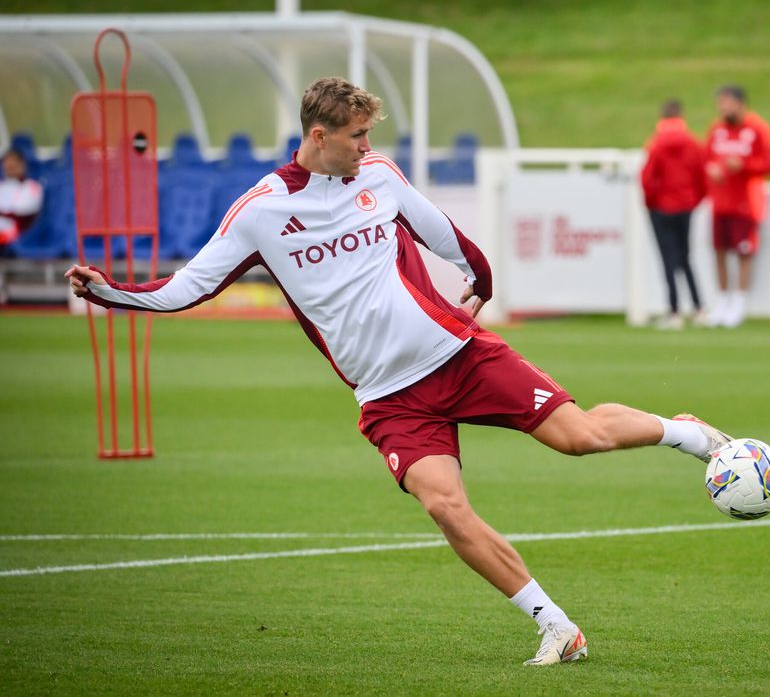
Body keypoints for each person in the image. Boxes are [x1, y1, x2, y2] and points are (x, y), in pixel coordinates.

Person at [66, 77, 735, 667]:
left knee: (579, 437)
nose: (366, 147)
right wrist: (108, 290)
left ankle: (691, 436)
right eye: (357, 136)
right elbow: (190, 287)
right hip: (391, 398)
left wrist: (481, 280)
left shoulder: (380, 178)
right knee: (447, 508)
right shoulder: (261, 212)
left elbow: (444, 234)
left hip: (458, 354)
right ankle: (557, 626)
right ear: (319, 135)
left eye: (369, 135)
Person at [703, 85, 770, 328]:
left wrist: (743, 165)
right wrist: (711, 170)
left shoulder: (757, 129)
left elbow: (768, 164)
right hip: (720, 203)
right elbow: (706, 159)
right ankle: (722, 300)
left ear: (740, 103)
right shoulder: (717, 130)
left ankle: (739, 302)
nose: (724, 108)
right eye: (720, 103)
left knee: (744, 254)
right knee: (719, 253)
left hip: (746, 204)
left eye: (727, 103)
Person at [640, 99, 707, 330]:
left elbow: (647, 178)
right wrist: (693, 201)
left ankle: (674, 311)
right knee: (686, 257)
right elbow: (702, 175)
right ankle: (699, 308)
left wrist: (651, 204)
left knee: (667, 259)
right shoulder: (692, 142)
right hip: (685, 207)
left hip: (661, 208)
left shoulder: (656, 144)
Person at [0, 148, 44, 250]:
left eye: (14, 162)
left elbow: (24, 214)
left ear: (22, 164)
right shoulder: (2, 187)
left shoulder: (32, 187)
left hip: (16, 235)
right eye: (7, 163)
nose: (10, 166)